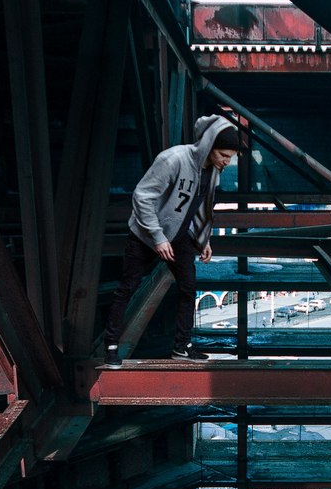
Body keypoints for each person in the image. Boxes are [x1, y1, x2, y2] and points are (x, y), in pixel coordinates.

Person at [102, 114, 240, 366]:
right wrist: (157, 236)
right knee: (127, 288)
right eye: (224, 155)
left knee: (189, 288)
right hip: (145, 235)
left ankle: (181, 347)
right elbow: (143, 197)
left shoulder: (213, 171)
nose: (227, 162)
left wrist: (203, 239)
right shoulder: (173, 159)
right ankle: (111, 346)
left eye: (230, 157)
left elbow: (201, 208)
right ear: (209, 146)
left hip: (180, 236)